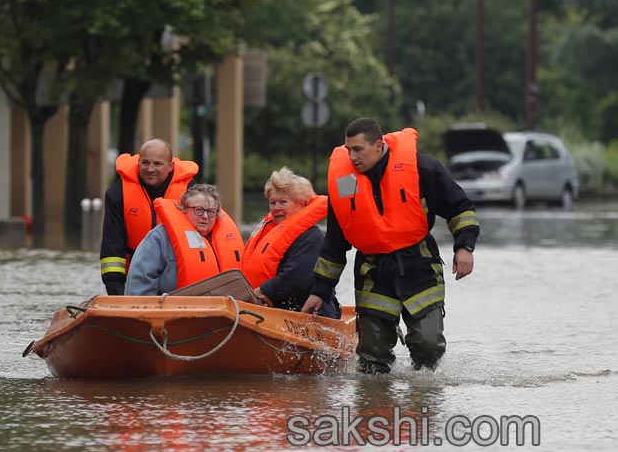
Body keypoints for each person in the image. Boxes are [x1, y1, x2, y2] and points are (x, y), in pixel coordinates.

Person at [301, 118, 479, 374]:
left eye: (358, 149)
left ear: (378, 146)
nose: (351, 156)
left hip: (419, 266)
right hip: (373, 272)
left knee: (428, 348)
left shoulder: (422, 169)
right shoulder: (345, 183)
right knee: (372, 359)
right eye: (348, 149)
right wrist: (320, 290)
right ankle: (375, 408)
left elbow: (461, 207)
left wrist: (465, 247)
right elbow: (334, 244)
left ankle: (422, 406)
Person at [99, 139, 199, 295]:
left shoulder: (191, 193)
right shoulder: (118, 194)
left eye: (158, 164)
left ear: (170, 166)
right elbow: (112, 246)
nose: (150, 169)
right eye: (145, 163)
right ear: (138, 162)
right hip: (135, 278)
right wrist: (116, 292)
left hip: (177, 279)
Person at [242, 167, 340, 318]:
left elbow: (295, 280)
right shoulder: (269, 233)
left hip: (309, 313)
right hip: (274, 308)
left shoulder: (312, 238)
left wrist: (261, 291)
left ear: (301, 204)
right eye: (272, 203)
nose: (276, 208)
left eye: (283, 202)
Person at [126, 184, 244, 296]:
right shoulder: (158, 238)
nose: (205, 216)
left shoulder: (225, 241)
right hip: (172, 311)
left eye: (211, 212)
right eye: (198, 210)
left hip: (219, 311)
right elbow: (140, 281)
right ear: (183, 209)